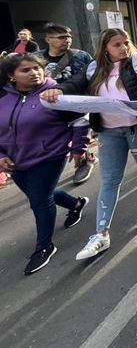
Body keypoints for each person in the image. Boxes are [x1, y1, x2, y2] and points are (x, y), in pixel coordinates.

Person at [40, 28, 137, 261]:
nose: (123, 48)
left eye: (126, 42)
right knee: (110, 180)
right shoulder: (93, 68)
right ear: (105, 48)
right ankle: (101, 233)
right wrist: (57, 90)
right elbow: (74, 83)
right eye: (117, 44)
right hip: (109, 132)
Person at [0, 54, 90, 274]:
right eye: (26, 70)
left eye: (37, 68)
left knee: (39, 200)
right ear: (12, 76)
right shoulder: (3, 97)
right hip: (16, 160)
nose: (34, 73)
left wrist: (79, 148)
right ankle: (76, 204)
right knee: (39, 194)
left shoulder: (54, 94)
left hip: (49, 156)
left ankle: (44, 247)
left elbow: (81, 119)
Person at [33, 22, 96, 184]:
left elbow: (92, 77)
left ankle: (84, 161)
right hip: (49, 107)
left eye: (69, 37)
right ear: (48, 39)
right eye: (61, 37)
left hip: (78, 106)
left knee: (80, 138)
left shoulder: (81, 56)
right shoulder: (36, 58)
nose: (67, 40)